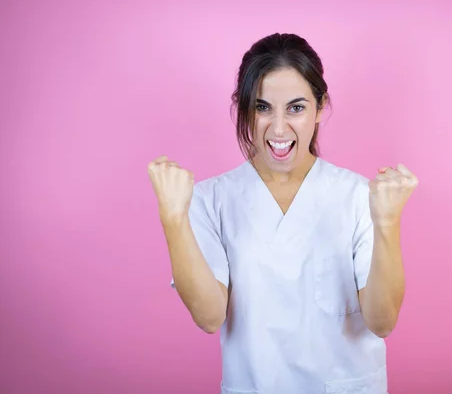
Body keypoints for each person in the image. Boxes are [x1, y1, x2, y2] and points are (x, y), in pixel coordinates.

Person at [147, 32, 418, 394]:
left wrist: (387, 223)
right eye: (262, 108)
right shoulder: (210, 200)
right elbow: (209, 316)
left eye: (296, 107)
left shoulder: (359, 196)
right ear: (243, 108)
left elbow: (382, 321)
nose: (278, 128)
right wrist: (172, 217)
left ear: (320, 107)